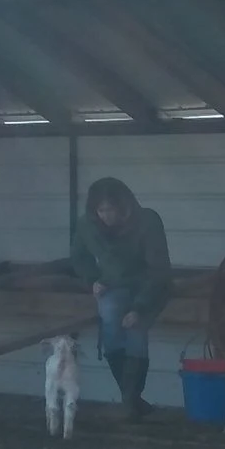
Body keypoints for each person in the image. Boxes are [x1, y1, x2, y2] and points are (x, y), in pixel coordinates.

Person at [70, 176, 172, 420]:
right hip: (111, 285)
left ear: (123, 206)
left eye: (111, 209)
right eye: (101, 209)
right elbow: (79, 257)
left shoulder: (147, 221)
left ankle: (130, 400)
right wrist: (91, 279)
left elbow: (158, 270)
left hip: (148, 286)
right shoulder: (87, 225)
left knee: (135, 333)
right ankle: (131, 399)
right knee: (111, 329)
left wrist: (140, 307)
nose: (106, 215)